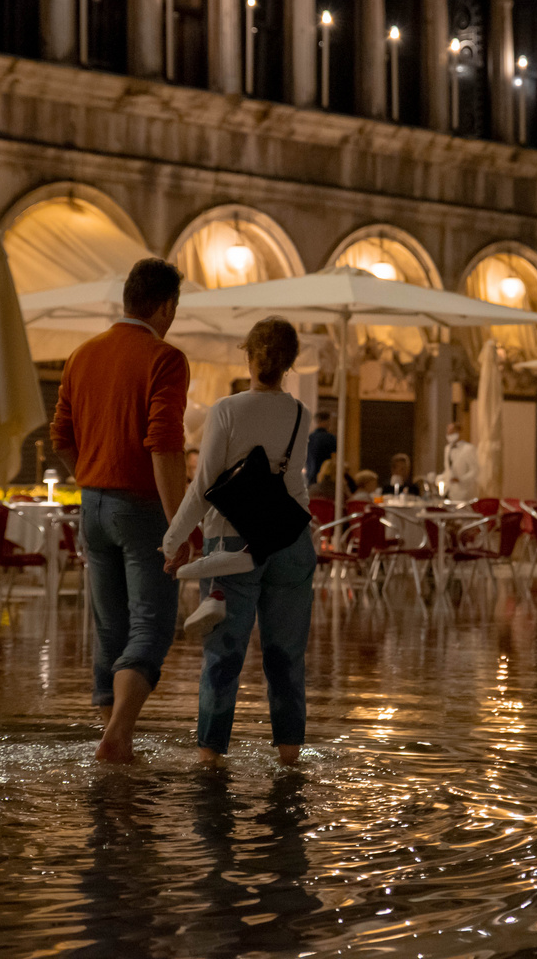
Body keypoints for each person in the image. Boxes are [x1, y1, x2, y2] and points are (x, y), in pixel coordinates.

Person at [51, 258, 190, 765]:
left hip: (92, 503)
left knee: (109, 626)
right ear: (165, 306)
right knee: (151, 625)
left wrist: (90, 472)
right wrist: (178, 523)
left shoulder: (81, 355)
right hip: (143, 506)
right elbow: (164, 443)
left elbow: (60, 436)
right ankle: (117, 735)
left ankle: (114, 741)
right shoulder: (165, 358)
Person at [163, 316, 316, 768]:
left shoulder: (227, 410)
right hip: (291, 539)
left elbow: (203, 484)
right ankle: (289, 756)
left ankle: (211, 758)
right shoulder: (300, 413)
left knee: (223, 657)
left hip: (231, 547)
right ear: (290, 364)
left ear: (248, 355)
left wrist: (173, 540)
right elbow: (293, 482)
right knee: (286, 657)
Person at [440, 421, 478, 502]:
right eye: (448, 433)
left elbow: (475, 470)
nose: (449, 435)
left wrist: (461, 479)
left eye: (452, 432)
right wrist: (441, 478)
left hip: (465, 492)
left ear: (458, 432)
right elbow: (448, 469)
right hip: (451, 492)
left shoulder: (468, 449)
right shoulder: (447, 449)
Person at [305, 411, 335, 488]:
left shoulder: (309, 437)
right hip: (325, 476)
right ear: (327, 421)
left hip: (310, 475)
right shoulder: (330, 438)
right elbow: (334, 457)